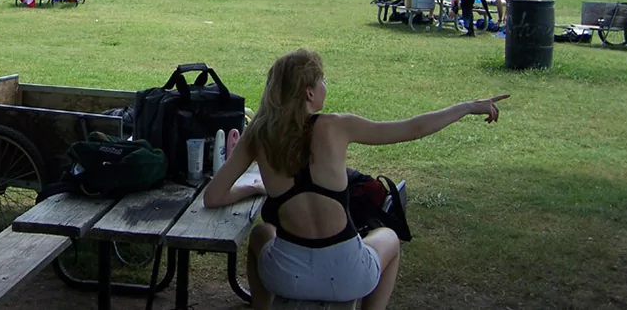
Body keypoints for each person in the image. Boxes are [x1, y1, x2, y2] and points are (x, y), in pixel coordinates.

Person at [203, 48, 508, 310]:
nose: (325, 85)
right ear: (309, 92)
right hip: (348, 275)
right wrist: (468, 106)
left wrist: (253, 188)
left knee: (261, 235)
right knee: (388, 237)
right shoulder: (337, 126)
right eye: (322, 80)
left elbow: (213, 197)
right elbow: (413, 128)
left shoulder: (257, 135)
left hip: (287, 276)